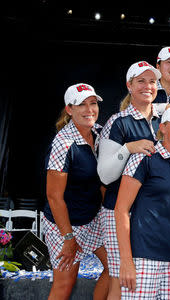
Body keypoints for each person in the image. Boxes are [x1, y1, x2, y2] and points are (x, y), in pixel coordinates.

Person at [115, 106, 170, 299]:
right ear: (163, 127)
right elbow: (121, 210)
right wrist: (126, 261)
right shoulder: (144, 157)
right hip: (143, 257)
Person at [97, 61, 161, 299]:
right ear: (129, 85)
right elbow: (104, 175)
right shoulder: (118, 122)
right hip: (118, 210)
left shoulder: (162, 123)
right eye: (141, 81)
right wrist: (128, 148)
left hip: (149, 213)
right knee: (120, 278)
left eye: (152, 81)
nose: (147, 86)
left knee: (141, 280)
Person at [43, 83, 109, 300]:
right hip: (64, 225)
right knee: (65, 283)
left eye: (93, 103)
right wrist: (68, 238)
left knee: (116, 268)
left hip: (93, 218)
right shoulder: (63, 143)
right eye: (82, 105)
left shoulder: (100, 133)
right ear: (69, 109)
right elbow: (54, 196)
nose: (89, 109)